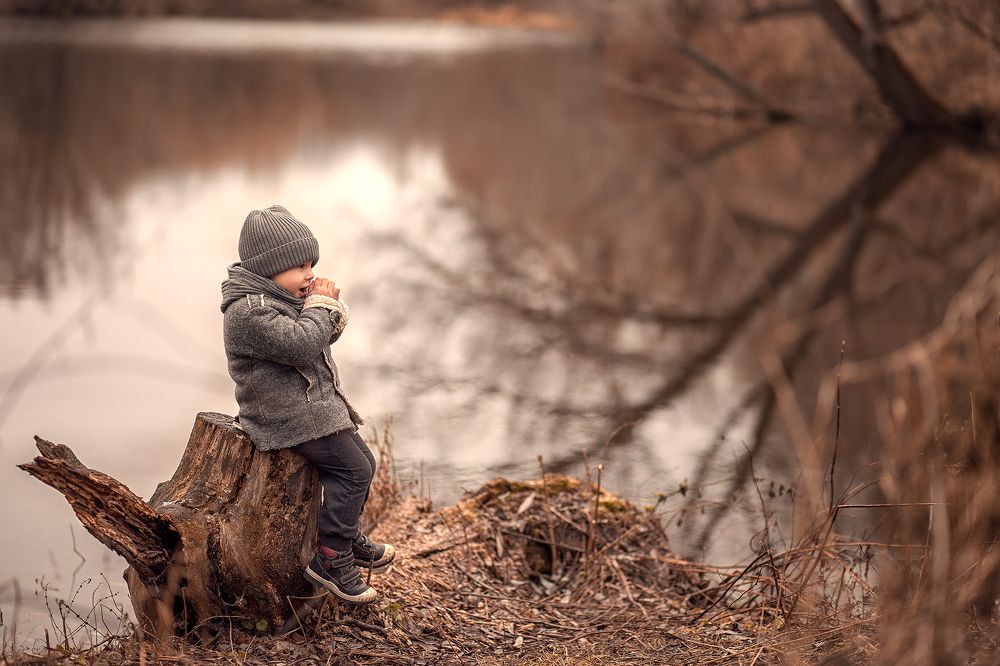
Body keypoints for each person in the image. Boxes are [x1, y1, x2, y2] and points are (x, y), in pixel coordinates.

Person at [219, 204, 395, 606]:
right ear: (268, 269)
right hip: (285, 418)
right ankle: (332, 559)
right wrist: (318, 308)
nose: (310, 274)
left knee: (363, 465)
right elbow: (300, 344)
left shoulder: (274, 298)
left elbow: (312, 338)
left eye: (311, 264)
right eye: (299, 266)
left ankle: (344, 538)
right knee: (352, 471)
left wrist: (325, 311)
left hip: (310, 411)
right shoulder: (248, 312)